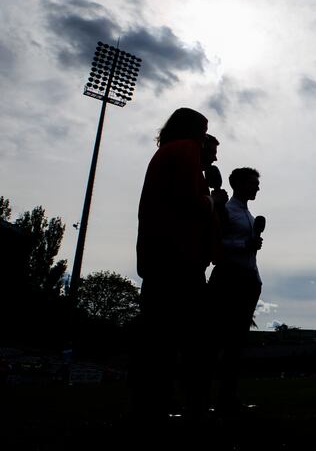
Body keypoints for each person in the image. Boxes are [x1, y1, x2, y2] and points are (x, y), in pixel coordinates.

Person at [132, 108, 225, 423]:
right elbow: (191, 202)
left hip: (163, 257)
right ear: (193, 131)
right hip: (178, 259)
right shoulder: (184, 150)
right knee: (193, 339)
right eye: (204, 131)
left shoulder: (166, 153)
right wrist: (213, 201)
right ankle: (187, 405)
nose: (204, 140)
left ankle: (155, 405)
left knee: (161, 340)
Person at [207, 167, 263, 415]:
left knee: (236, 342)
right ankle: (210, 397)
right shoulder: (227, 211)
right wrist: (245, 244)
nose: (257, 187)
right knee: (219, 339)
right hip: (230, 277)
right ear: (238, 184)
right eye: (253, 183)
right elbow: (216, 244)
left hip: (248, 278)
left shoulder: (248, 214)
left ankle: (227, 397)